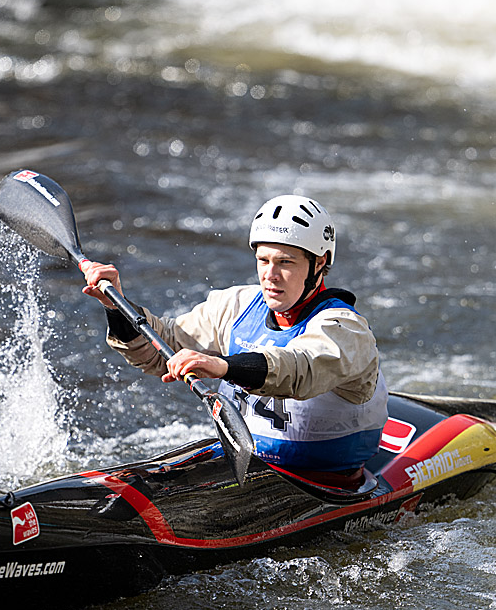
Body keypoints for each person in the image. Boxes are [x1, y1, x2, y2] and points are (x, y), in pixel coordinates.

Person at [81, 194, 388, 485]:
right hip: (246, 468)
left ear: (319, 264)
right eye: (263, 260)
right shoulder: (235, 306)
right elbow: (162, 347)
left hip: (324, 481)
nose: (270, 274)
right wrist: (117, 307)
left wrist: (222, 366)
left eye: (285, 262)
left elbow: (298, 369)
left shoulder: (345, 329)